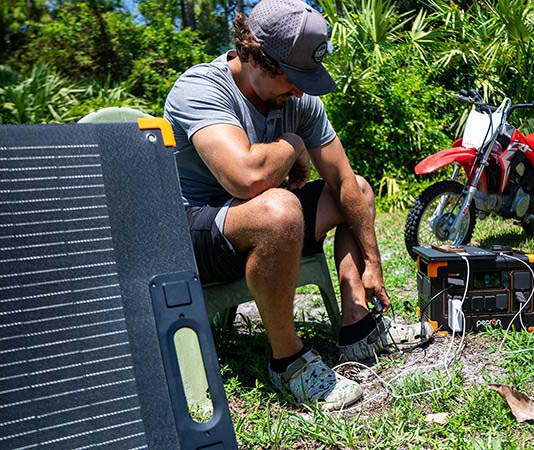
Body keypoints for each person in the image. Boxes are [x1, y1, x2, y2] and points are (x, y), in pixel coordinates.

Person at [164, 0, 433, 410]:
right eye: (293, 78)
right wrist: (292, 145)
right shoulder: (201, 88)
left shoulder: (297, 100)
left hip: (262, 217)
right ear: (256, 57)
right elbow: (247, 178)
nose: (301, 90)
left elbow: (343, 180)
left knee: (355, 190)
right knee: (280, 209)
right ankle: (287, 360)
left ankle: (358, 327)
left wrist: (373, 263)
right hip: (194, 230)